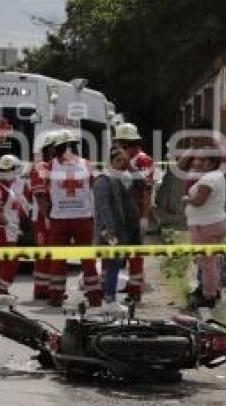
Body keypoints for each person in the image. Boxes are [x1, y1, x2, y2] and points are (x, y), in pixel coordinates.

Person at [43, 130, 103, 307]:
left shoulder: (50, 166)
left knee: (58, 260)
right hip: (83, 217)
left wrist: (48, 214)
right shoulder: (87, 164)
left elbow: (45, 189)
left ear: (57, 147)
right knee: (87, 259)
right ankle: (94, 298)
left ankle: (56, 297)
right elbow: (94, 185)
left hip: (59, 218)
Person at [94, 148, 139, 317]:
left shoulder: (120, 178)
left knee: (116, 265)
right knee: (112, 264)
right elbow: (103, 207)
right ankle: (109, 300)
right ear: (111, 161)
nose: (122, 164)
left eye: (125, 161)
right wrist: (110, 230)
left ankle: (110, 298)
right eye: (119, 160)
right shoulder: (103, 181)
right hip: (110, 231)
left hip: (121, 230)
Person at [182, 151, 226, 310]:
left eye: (203, 160)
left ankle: (209, 296)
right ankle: (212, 291)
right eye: (197, 159)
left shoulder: (209, 179)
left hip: (205, 226)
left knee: (207, 262)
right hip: (213, 222)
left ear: (211, 162)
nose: (198, 163)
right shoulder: (217, 176)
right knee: (212, 261)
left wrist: (187, 199)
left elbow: (199, 201)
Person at [113, 122, 152, 302]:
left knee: (134, 255)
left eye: (119, 143)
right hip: (119, 213)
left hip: (134, 212)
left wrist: (144, 216)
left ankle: (135, 291)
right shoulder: (118, 158)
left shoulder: (143, 160)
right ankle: (115, 288)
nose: (116, 146)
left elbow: (145, 190)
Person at [0, 154, 24, 295]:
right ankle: (0, 289)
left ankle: (0, 289)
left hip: (9, 232)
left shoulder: (7, 187)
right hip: (3, 232)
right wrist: (10, 225)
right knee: (11, 262)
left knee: (4, 262)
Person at [30, 131, 58, 300]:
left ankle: (48, 288)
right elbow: (40, 196)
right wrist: (47, 217)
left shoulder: (53, 167)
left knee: (51, 254)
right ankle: (41, 290)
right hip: (43, 217)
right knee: (44, 254)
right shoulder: (42, 168)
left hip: (50, 215)